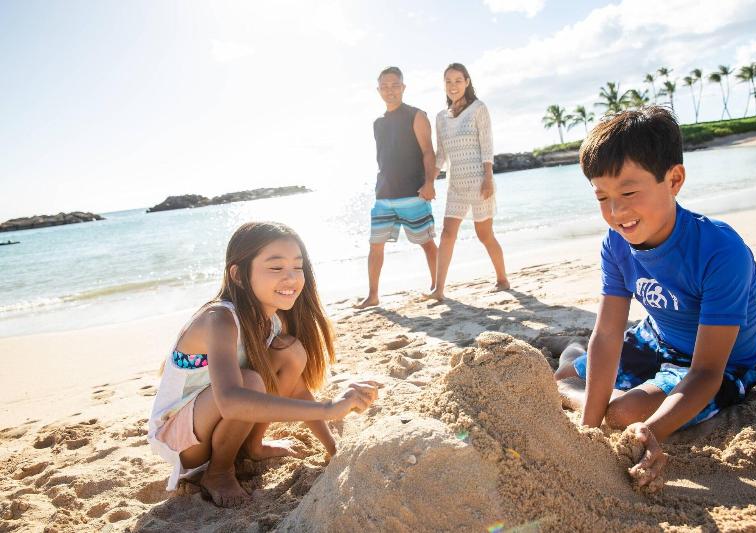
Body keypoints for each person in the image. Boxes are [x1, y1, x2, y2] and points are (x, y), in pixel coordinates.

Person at [553, 106, 756, 489]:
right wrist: (587, 429)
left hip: (721, 364)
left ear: (674, 179)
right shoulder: (616, 244)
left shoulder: (721, 251)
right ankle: (570, 361)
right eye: (602, 197)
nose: (617, 212)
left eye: (629, 192)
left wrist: (651, 431)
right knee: (571, 375)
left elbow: (706, 372)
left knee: (622, 413)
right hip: (657, 336)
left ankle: (569, 382)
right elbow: (607, 335)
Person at [148, 222, 378, 507]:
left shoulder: (270, 321)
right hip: (182, 440)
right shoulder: (219, 319)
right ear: (239, 275)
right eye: (276, 268)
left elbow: (295, 388)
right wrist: (329, 410)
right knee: (249, 382)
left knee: (290, 352)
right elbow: (231, 401)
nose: (291, 278)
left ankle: (252, 447)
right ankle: (218, 472)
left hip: (213, 423)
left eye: (298, 267)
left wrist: (333, 447)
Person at [355, 66, 439, 309]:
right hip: (384, 194)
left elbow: (427, 151)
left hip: (413, 193)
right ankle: (373, 295)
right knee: (375, 245)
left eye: (394, 85)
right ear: (378, 89)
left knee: (426, 242)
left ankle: (436, 286)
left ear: (403, 87)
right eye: (385, 86)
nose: (389, 90)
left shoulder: (416, 115)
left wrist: (430, 182)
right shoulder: (377, 123)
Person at [426, 63, 509, 301]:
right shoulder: (441, 117)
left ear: (467, 82)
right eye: (448, 81)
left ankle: (502, 279)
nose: (453, 86)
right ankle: (439, 289)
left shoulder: (478, 108)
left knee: (485, 235)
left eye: (458, 81)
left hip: (480, 181)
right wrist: (430, 181)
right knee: (447, 234)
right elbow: (441, 155)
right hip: (456, 185)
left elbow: (487, 145)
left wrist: (489, 178)